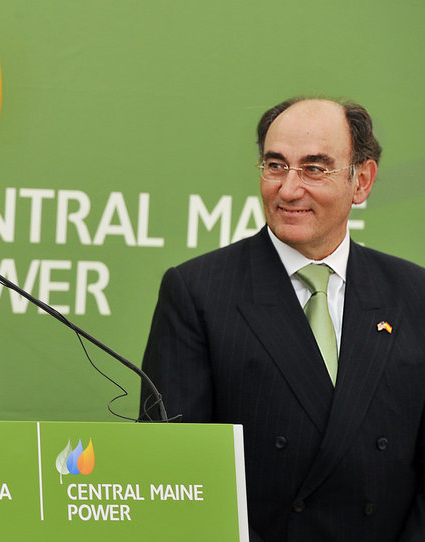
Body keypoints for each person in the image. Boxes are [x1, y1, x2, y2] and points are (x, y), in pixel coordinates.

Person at [140, 98, 425, 541]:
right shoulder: (198, 293)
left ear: (362, 181)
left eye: (314, 169)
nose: (288, 190)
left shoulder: (414, 294)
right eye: (275, 166)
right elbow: (175, 474)